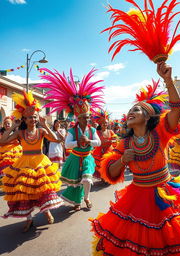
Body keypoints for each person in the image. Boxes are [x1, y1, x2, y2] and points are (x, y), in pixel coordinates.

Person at [90, 62, 180, 255]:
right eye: (129, 112)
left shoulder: (160, 132)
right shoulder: (124, 143)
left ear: (148, 115)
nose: (130, 113)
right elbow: (110, 174)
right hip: (137, 198)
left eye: (136, 110)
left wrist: (168, 81)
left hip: (165, 194)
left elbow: (177, 109)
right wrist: (122, 160)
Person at [36, 67, 104, 211]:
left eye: (88, 117)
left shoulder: (92, 130)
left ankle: (87, 197)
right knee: (76, 183)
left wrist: (89, 142)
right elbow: (67, 144)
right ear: (79, 118)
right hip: (74, 158)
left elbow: (98, 142)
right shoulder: (72, 130)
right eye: (85, 117)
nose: (87, 119)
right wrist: (78, 142)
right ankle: (77, 201)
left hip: (87, 158)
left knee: (86, 179)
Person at [0, 90, 63, 232]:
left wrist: (46, 125)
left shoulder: (41, 131)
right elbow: (2, 141)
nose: (32, 120)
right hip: (24, 163)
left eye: (34, 117)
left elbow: (57, 139)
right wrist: (14, 127)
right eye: (29, 118)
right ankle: (29, 219)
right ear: (24, 119)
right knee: (25, 193)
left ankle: (46, 211)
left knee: (42, 190)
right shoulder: (20, 132)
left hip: (40, 163)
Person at [92, 109, 117, 180]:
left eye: (106, 123)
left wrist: (112, 140)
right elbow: (95, 142)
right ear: (100, 124)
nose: (105, 124)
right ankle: (104, 177)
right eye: (103, 123)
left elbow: (115, 140)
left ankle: (108, 177)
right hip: (100, 152)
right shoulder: (97, 132)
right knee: (101, 166)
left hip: (109, 151)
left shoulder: (110, 131)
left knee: (109, 166)